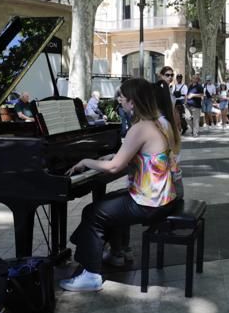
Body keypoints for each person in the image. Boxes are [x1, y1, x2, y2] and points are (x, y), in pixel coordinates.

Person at [61, 78, 182, 291]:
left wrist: (86, 162)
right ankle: (97, 252)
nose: (119, 100)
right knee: (103, 204)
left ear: (133, 102)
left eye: (122, 97)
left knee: (94, 212)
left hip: (150, 202)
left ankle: (91, 274)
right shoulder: (158, 123)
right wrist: (112, 156)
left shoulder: (140, 127)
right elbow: (140, 159)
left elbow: (116, 167)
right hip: (163, 197)